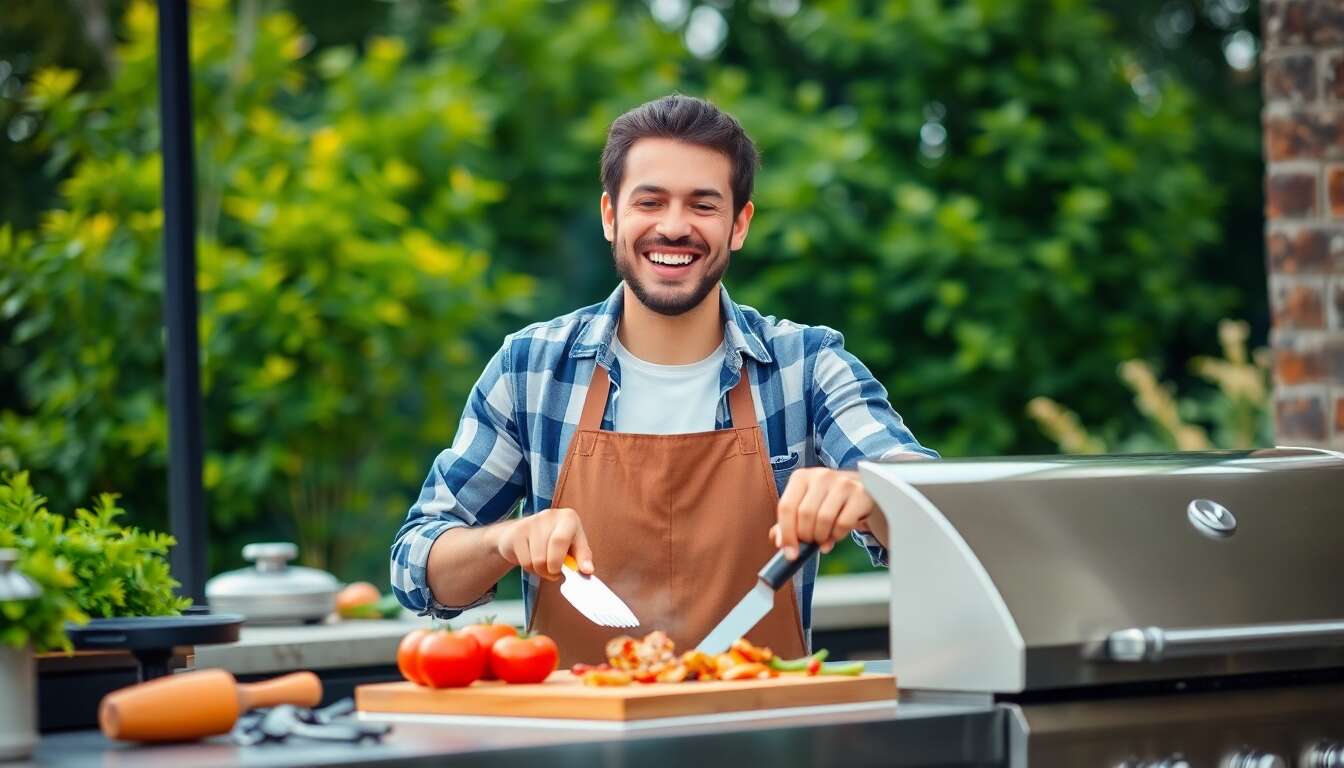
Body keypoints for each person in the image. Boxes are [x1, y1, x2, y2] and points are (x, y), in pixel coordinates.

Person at [391, 94, 936, 665]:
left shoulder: (808, 366)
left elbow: (946, 522)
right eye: (650, 202)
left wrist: (871, 491)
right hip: (578, 740)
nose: (674, 228)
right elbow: (415, 567)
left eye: (703, 205)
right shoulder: (530, 368)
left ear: (739, 225)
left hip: (767, 735)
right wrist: (503, 539)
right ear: (610, 216)